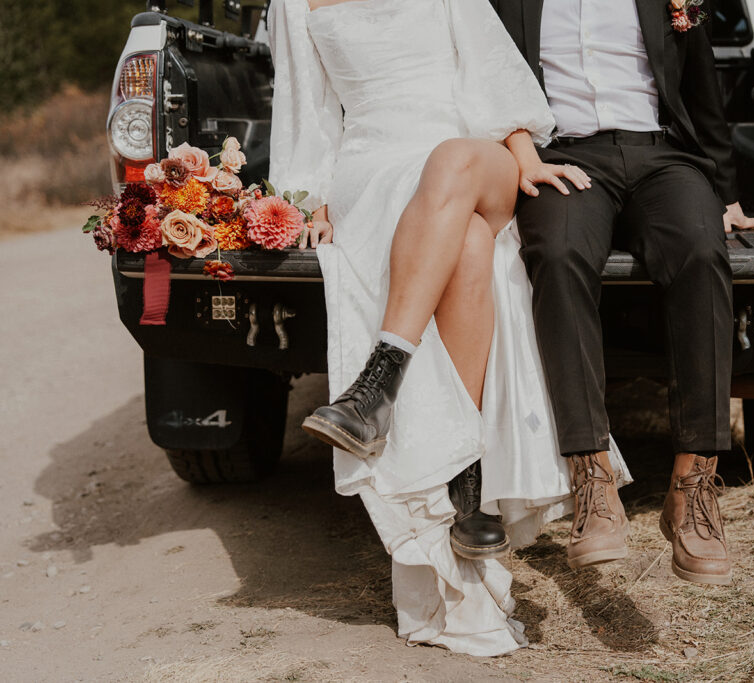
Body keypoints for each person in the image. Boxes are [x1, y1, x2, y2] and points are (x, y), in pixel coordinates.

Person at [267, 0, 629, 656]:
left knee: (451, 163)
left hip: (472, 154)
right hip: (371, 165)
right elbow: (305, 109)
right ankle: (466, 485)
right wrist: (308, 199)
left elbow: (491, 67)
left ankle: (378, 383)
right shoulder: (293, 2)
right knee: (464, 245)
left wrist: (524, 156)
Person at [488, 0, 754, 586]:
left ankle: (693, 490)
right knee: (558, 257)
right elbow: (486, 75)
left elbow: (700, 85)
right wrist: (519, 159)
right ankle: (591, 481)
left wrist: (726, 191)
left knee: (700, 251)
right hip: (561, 156)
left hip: (661, 154)